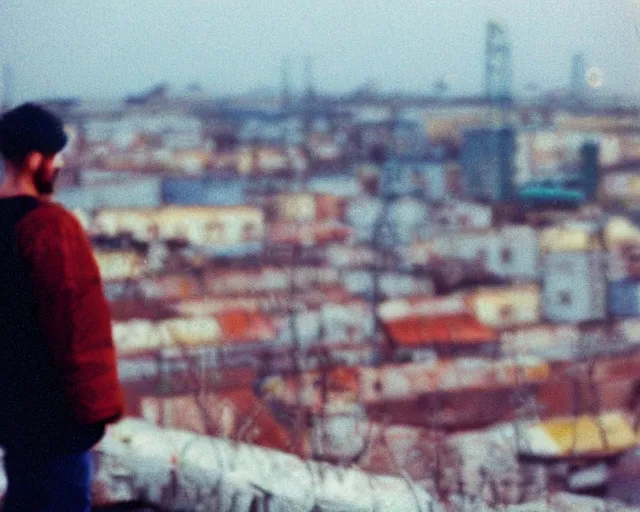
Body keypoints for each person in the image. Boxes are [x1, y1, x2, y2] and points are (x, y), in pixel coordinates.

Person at [0, 103, 124, 511]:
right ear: (36, 160)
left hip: (12, 423)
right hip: (55, 426)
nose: (58, 167)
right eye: (54, 158)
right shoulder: (49, 228)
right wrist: (93, 418)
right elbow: (77, 331)